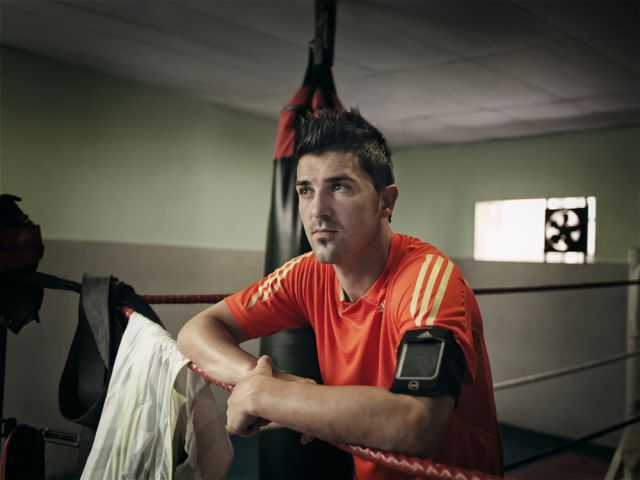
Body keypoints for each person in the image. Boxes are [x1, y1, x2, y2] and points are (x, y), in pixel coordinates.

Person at [177, 108, 503, 479]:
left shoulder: (427, 280)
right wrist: (260, 378)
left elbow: (419, 421)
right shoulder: (306, 274)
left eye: (339, 187)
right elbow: (197, 331)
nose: (318, 210)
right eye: (306, 190)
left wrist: (265, 396)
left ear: (386, 202)